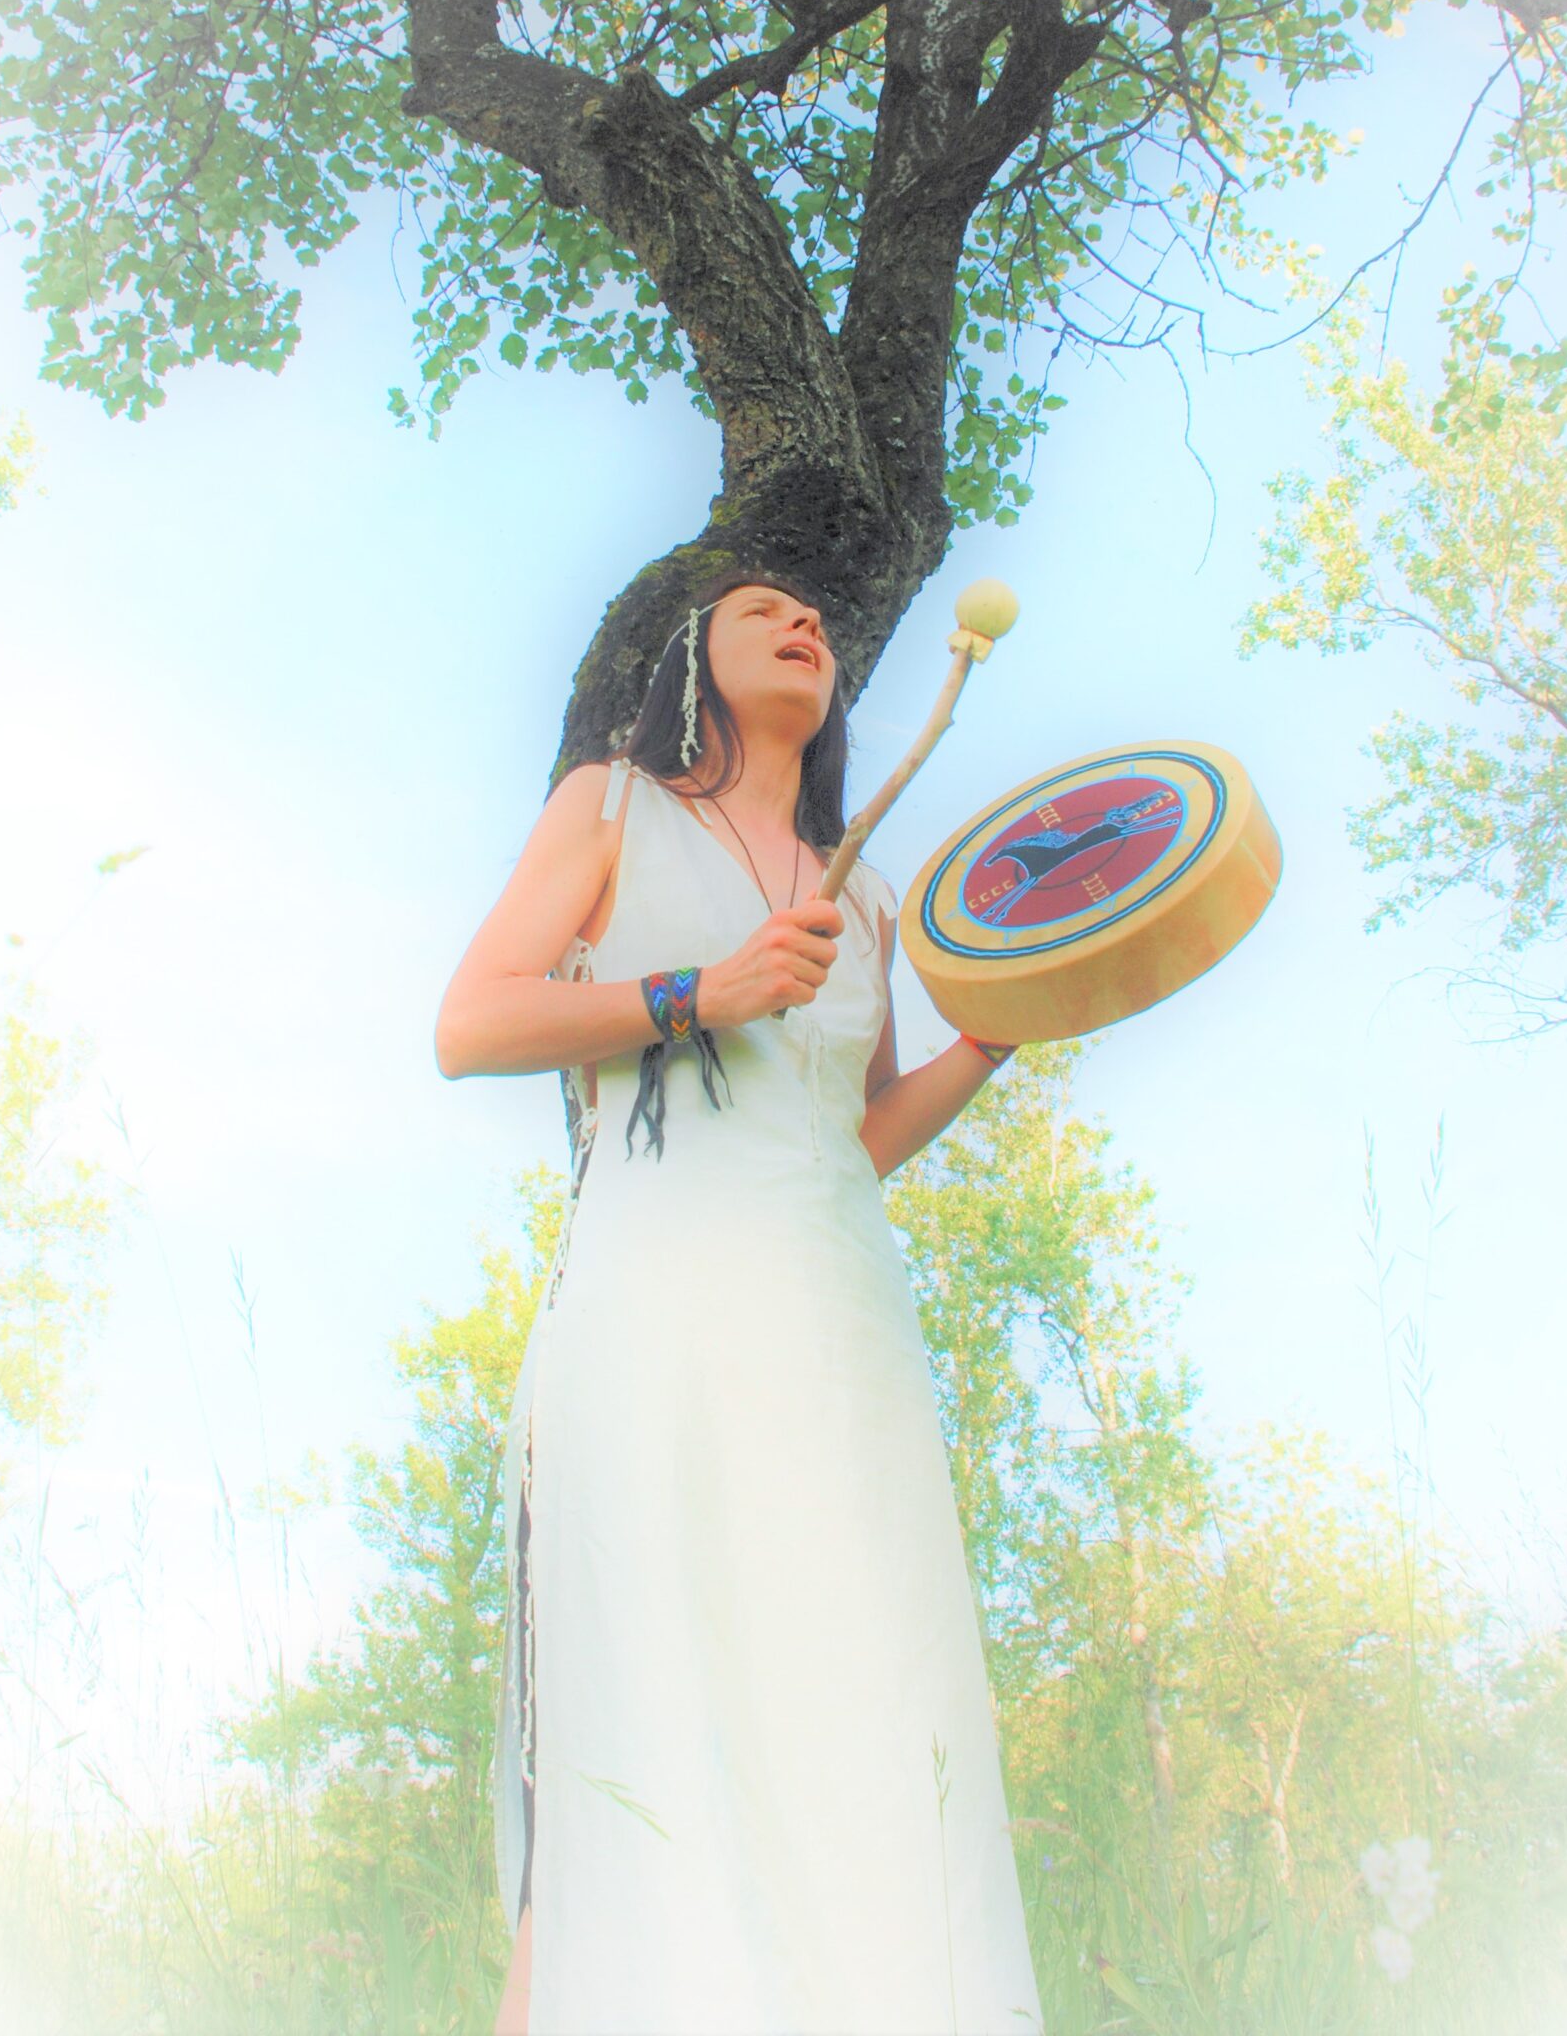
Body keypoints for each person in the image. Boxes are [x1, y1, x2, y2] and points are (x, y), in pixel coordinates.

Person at [435, 572, 1044, 2036]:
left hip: (840, 1334)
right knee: (644, 1700)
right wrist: (694, 995)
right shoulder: (609, 808)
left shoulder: (867, 888)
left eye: (818, 619)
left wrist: (991, 1043)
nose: (803, 624)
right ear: (691, 663)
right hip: (655, 1315)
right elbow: (471, 1025)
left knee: (858, 1692)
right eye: (763, 608)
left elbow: (849, 1137)